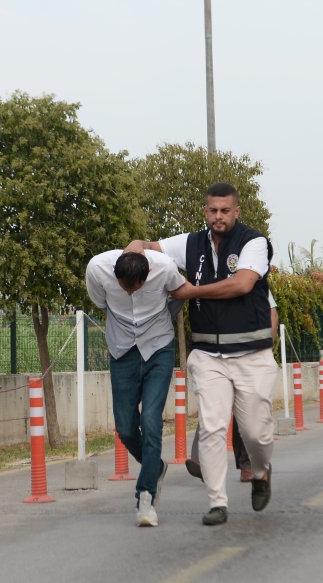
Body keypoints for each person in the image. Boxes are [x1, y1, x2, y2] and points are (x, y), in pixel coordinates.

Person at [128, 182, 278, 526]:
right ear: (205, 211)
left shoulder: (254, 242)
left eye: (225, 211)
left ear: (236, 212)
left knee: (256, 432)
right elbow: (150, 248)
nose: (218, 217)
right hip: (208, 354)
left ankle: (260, 471)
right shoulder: (190, 243)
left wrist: (191, 291)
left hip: (251, 353)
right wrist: (135, 247)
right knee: (211, 427)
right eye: (212, 210)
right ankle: (217, 502)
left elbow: (241, 284)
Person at [86, 249, 187, 527]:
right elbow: (100, 303)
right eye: (122, 286)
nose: (128, 292)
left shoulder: (164, 268)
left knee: (151, 421)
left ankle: (146, 498)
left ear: (146, 278)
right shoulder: (97, 269)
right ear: (115, 276)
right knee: (126, 428)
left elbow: (179, 292)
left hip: (158, 348)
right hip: (122, 351)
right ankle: (155, 466)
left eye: (135, 288)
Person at [186, 292, 278, 483]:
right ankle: (201, 460)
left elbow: (272, 313)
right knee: (212, 409)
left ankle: (248, 465)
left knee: (245, 414)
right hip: (216, 357)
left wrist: (264, 348)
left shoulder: (251, 277)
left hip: (247, 358)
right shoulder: (210, 280)